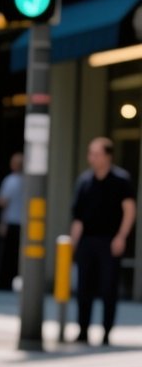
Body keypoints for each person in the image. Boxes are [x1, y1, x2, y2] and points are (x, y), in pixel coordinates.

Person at [70, 137, 137, 347]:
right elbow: (78, 217)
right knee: (83, 289)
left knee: (109, 289)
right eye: (90, 153)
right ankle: (83, 330)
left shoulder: (121, 180)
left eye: (96, 153)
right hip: (87, 241)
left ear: (108, 156)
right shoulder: (85, 181)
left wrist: (121, 236)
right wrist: (73, 243)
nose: (92, 158)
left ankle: (106, 333)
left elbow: (129, 210)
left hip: (109, 240)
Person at [0, 152, 24, 291]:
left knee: (6, 256)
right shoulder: (29, 181)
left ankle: (3, 283)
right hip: (24, 224)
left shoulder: (10, 181)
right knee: (17, 257)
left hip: (11, 222)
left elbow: (2, 201)